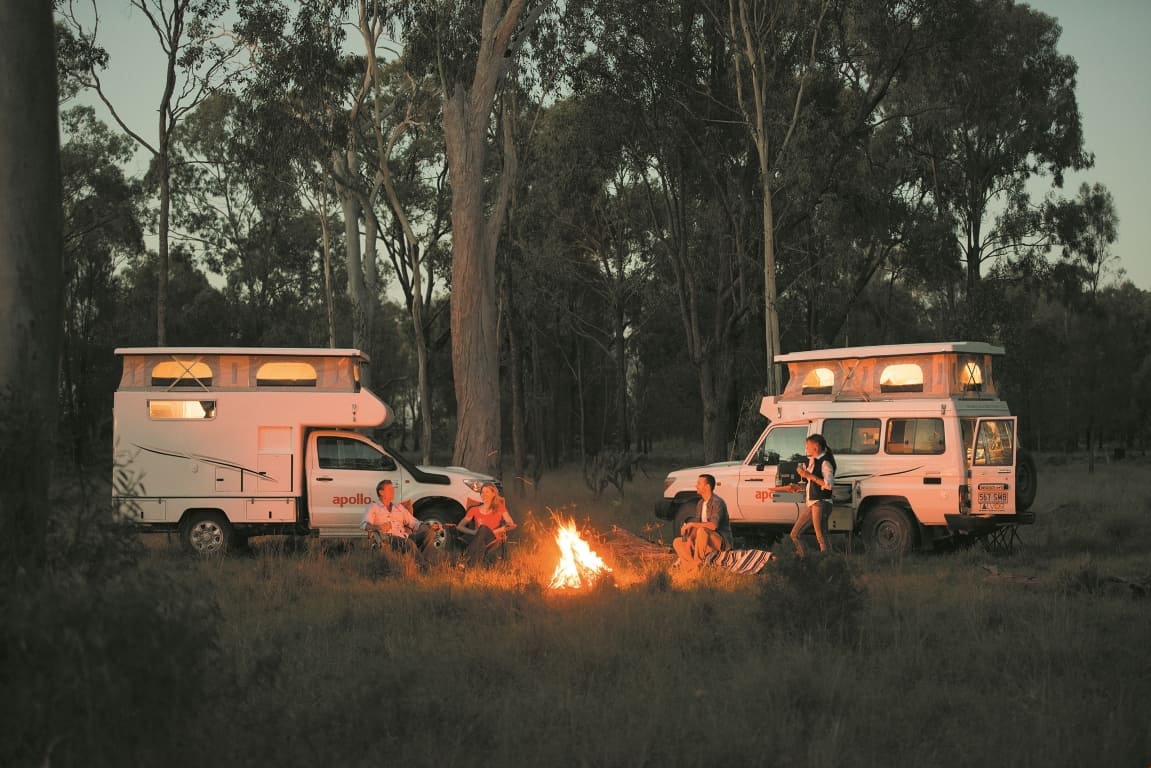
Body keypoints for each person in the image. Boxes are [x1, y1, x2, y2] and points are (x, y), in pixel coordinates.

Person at [361, 479, 437, 566]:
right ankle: (425, 566)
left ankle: (425, 563)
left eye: (393, 489)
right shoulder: (373, 507)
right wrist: (378, 527)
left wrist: (428, 527)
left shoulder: (398, 507)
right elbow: (364, 524)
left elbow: (415, 523)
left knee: (429, 533)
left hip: (405, 537)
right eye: (389, 489)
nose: (393, 491)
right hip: (388, 539)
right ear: (381, 492)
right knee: (409, 544)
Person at [787, 433, 836, 556]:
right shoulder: (814, 461)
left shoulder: (825, 463)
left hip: (820, 503)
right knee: (803, 534)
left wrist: (808, 475)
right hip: (815, 502)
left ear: (816, 446)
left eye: (808, 446)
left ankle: (812, 559)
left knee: (819, 536)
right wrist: (799, 487)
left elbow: (828, 484)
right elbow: (813, 483)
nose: (806, 448)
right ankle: (814, 559)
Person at [672, 474, 733, 568]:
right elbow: (698, 524)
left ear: (707, 487)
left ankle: (697, 561)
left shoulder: (718, 503)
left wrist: (691, 524)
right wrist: (690, 538)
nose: (696, 486)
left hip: (720, 542)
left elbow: (713, 526)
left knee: (702, 530)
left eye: (699, 483)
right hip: (704, 541)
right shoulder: (700, 503)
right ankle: (692, 566)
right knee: (677, 542)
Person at [455, 482, 516, 569]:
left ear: (493, 494)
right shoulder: (474, 510)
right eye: (482, 492)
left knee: (483, 528)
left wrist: (500, 529)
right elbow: (460, 526)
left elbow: (510, 523)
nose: (484, 494)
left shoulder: (499, 508)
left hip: (493, 537)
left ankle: (465, 559)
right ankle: (471, 566)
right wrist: (473, 532)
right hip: (477, 537)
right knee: (481, 537)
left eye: (487, 492)